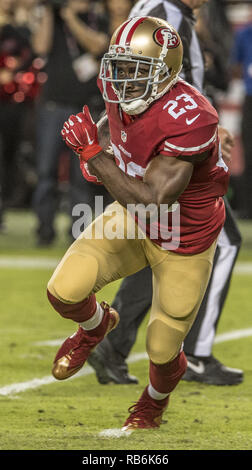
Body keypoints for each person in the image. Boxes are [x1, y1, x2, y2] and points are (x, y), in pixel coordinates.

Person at [48, 15, 231, 430]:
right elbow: (112, 126)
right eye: (120, 67)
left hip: (184, 237)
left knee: (162, 347)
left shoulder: (191, 117)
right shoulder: (122, 89)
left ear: (165, 73)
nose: (123, 79)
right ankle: (96, 327)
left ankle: (152, 405)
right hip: (133, 219)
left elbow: (154, 198)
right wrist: (102, 144)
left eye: (136, 71)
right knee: (64, 290)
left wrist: (93, 155)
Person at [87, 0, 243, 387]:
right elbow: (162, 79)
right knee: (222, 243)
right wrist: (205, 131)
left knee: (165, 239)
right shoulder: (166, 14)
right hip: (166, 145)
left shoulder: (160, 9)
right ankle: (196, 355)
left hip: (150, 140)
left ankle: (114, 345)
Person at [31, 0, 112, 245]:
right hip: (52, 106)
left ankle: (78, 232)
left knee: (82, 176)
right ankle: (44, 231)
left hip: (85, 109)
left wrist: (70, 18)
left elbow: (98, 45)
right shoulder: (52, 19)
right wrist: (48, 10)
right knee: (45, 172)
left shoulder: (98, 18)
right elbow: (40, 47)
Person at [231, 7, 252, 219]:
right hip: (250, 98)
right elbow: (235, 66)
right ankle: (248, 206)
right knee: (249, 152)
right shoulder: (244, 33)